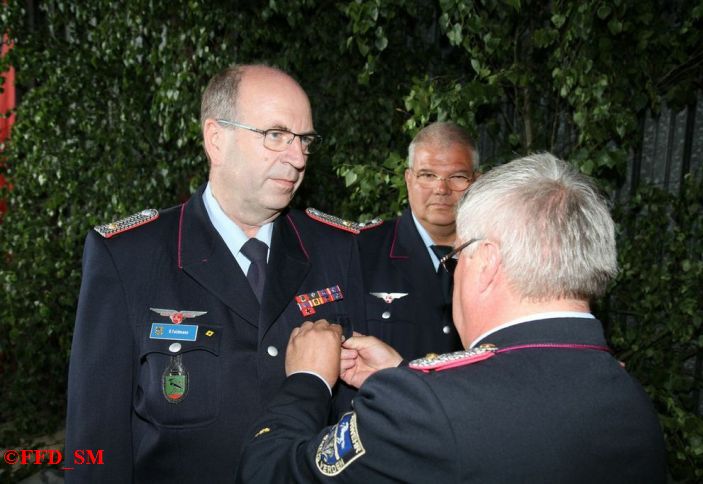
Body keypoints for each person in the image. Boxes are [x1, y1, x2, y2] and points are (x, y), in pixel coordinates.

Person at [239, 153, 667, 483]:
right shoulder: (629, 398)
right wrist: (403, 374)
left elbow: (268, 472)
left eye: (457, 257)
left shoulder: (422, 408)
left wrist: (307, 381)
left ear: (486, 263)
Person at [64, 64, 366, 483]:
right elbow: (93, 443)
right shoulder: (128, 258)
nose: (297, 158)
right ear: (216, 139)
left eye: (305, 141)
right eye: (275, 135)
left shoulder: (337, 248)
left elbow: (361, 421)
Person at [358, 121, 478, 360]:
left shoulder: (500, 256)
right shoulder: (362, 252)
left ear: (476, 181)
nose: (441, 189)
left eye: (457, 177)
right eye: (428, 175)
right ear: (409, 178)